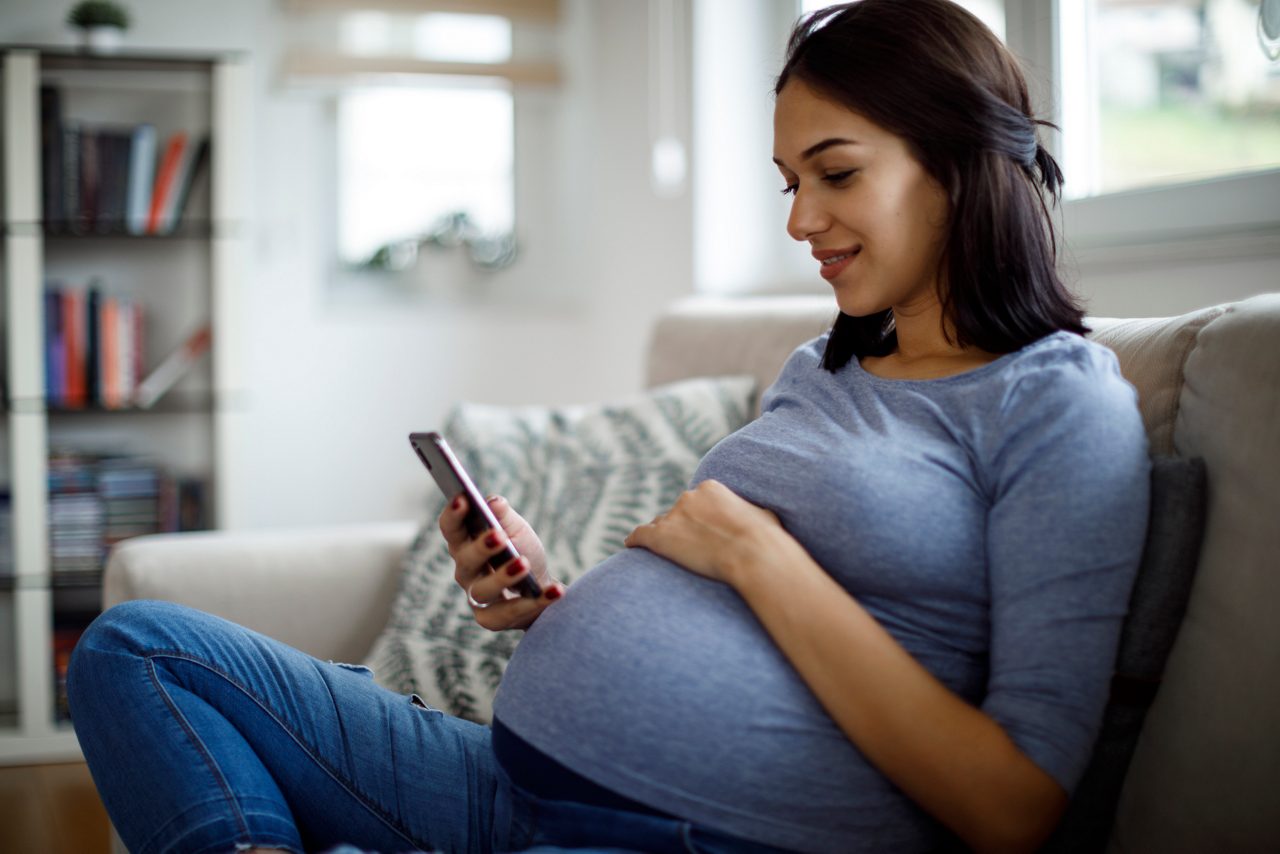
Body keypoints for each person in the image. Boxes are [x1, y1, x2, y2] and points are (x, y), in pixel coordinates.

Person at [67, 2, 1151, 852]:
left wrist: (757, 554)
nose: (798, 220)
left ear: (959, 163)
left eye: (836, 173)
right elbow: (720, 633)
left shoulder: (1058, 403)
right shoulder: (823, 364)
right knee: (137, 647)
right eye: (786, 181)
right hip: (509, 779)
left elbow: (1013, 808)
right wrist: (555, 604)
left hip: (708, 833)